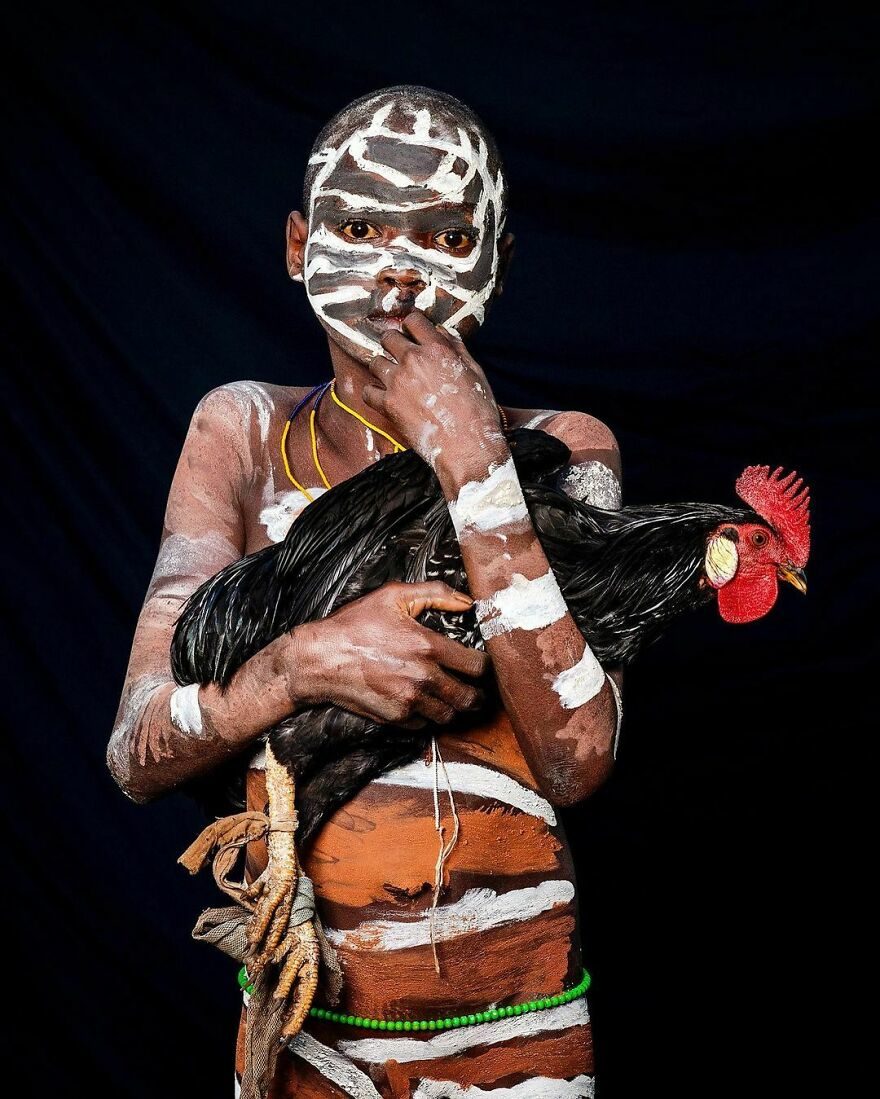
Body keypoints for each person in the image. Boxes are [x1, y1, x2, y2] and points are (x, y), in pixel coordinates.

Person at [107, 84, 624, 1099]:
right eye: (357, 228)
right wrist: (304, 662)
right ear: (298, 247)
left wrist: (475, 461)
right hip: (310, 1028)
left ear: (497, 261)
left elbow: (576, 758)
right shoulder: (243, 433)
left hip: (521, 1026)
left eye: (445, 236)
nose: (399, 271)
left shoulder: (568, 448)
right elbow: (135, 749)